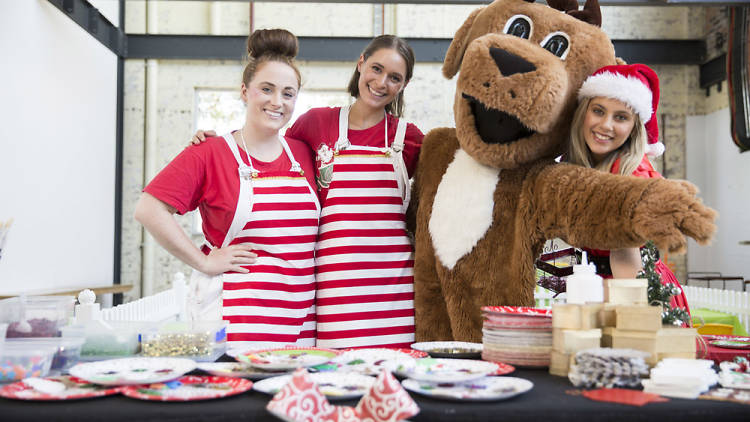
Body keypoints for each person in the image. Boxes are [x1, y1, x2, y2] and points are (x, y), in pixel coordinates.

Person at [194, 35, 424, 348]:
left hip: (394, 296)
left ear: (404, 84)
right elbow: (267, 145)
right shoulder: (316, 124)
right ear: (361, 64)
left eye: (394, 77)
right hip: (333, 296)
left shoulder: (408, 138)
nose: (381, 82)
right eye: (376, 68)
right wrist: (216, 143)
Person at [135, 29, 319, 351]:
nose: (277, 102)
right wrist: (203, 262)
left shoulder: (304, 153)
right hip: (235, 325)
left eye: (288, 93)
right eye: (267, 89)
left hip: (300, 322)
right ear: (245, 91)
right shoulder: (210, 152)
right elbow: (149, 209)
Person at [567, 63, 690, 317]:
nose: (606, 125)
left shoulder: (626, 175)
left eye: (620, 117)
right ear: (583, 113)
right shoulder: (590, 168)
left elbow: (625, 265)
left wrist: (623, 321)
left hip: (630, 293)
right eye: (598, 111)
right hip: (604, 287)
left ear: (635, 127)